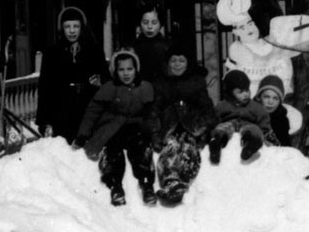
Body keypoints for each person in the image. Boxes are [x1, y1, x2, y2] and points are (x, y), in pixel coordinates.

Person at [76, 50, 157, 206]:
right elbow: (93, 111)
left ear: (136, 69)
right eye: (121, 70)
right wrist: (82, 135)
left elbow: (152, 113)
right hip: (112, 126)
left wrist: (154, 133)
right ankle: (116, 185)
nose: (126, 74)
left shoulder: (145, 87)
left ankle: (147, 184)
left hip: (135, 126)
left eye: (129, 69)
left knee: (141, 148)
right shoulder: (109, 87)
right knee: (113, 150)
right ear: (115, 71)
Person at [151, 48, 215, 206]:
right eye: (173, 61)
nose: (177, 64)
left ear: (188, 64)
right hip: (169, 125)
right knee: (171, 148)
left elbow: (207, 109)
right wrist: (155, 130)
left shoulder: (196, 82)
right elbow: (154, 109)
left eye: (181, 61)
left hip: (191, 125)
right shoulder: (161, 83)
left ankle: (182, 181)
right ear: (168, 63)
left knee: (187, 147)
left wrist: (205, 128)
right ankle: (170, 182)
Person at [38, 7, 106, 141]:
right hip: (61, 111)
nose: (72, 30)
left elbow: (107, 79)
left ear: (82, 28)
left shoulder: (94, 50)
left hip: (87, 109)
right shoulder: (52, 53)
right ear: (61, 28)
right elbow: (45, 88)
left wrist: (100, 81)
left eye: (76, 26)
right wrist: (44, 121)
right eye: (67, 26)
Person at [209, 69, 272, 165]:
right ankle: (216, 147)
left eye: (247, 90)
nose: (245, 94)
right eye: (240, 92)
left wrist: (264, 132)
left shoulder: (255, 107)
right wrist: (215, 129)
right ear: (230, 92)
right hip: (230, 128)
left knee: (254, 129)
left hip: (248, 128)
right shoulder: (222, 106)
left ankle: (251, 146)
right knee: (222, 128)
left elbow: (264, 119)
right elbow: (213, 119)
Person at [131, 7, 171, 85]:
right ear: (139, 24)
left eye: (154, 22)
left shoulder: (167, 47)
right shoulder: (133, 48)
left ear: (160, 24)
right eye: (145, 22)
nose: (149, 27)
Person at [255, 74, 293, 146]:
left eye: (275, 98)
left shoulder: (282, 120)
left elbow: (285, 146)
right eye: (266, 97)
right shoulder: (250, 114)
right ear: (259, 98)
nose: (270, 102)